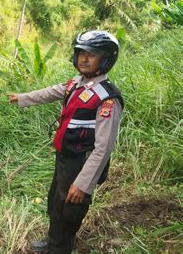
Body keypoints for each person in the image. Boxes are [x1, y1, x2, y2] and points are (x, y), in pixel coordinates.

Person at [8, 31, 124, 253]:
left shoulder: (107, 98)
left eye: (92, 55)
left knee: (69, 211)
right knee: (55, 204)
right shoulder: (77, 84)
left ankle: (60, 248)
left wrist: (83, 183)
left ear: (106, 59)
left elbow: (103, 148)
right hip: (65, 159)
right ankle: (53, 242)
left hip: (82, 163)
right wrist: (23, 98)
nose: (84, 59)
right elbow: (51, 92)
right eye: (81, 53)